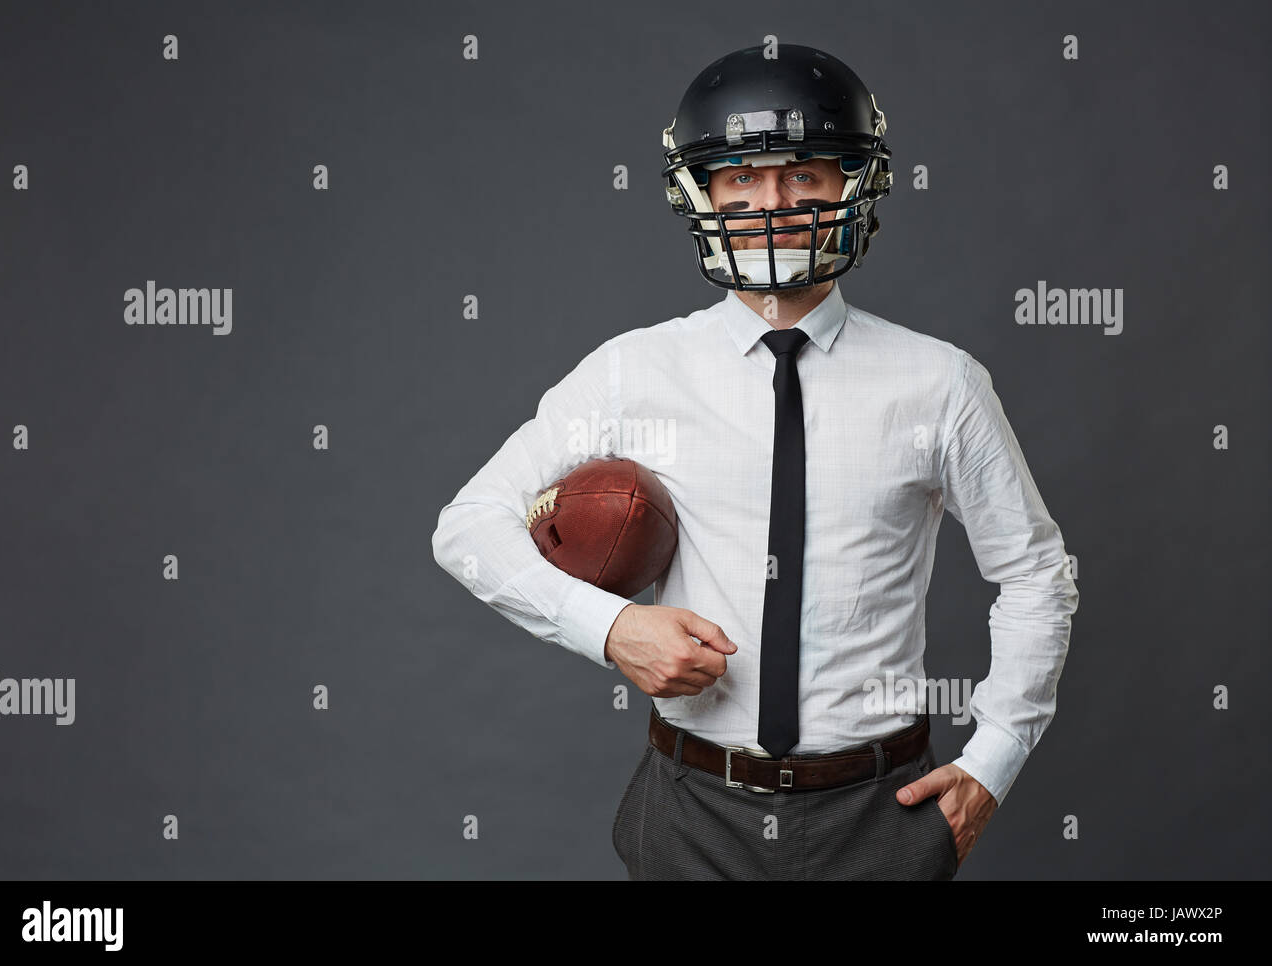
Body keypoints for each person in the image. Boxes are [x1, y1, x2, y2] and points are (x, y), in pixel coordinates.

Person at [432, 43, 1079, 880]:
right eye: (741, 177)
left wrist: (994, 758)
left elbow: (1035, 572)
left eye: (804, 173)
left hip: (878, 813)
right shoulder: (635, 370)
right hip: (689, 809)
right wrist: (612, 627)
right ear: (702, 193)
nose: (772, 201)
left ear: (854, 183)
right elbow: (469, 526)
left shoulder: (939, 382)